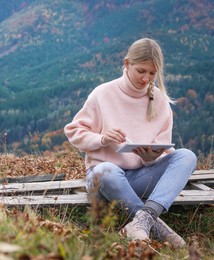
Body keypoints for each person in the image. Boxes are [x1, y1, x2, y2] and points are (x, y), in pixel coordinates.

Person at [64, 38, 197, 248]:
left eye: (152, 73)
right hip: (104, 179)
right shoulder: (103, 94)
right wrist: (102, 139)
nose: (146, 79)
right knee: (106, 170)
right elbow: (74, 132)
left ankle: (143, 221)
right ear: (127, 64)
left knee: (187, 156)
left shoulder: (160, 102)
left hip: (140, 177)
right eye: (141, 71)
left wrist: (150, 158)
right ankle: (158, 227)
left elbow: (162, 148)